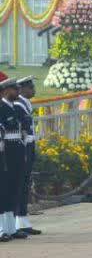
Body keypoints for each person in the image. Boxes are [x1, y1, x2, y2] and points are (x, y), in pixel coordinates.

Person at [0, 78, 27, 241]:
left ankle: (11, 228)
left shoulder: (16, 108)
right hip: (4, 153)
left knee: (13, 189)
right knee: (2, 189)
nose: (17, 92)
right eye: (14, 89)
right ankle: (1, 228)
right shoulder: (1, 108)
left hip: (16, 151)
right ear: (5, 91)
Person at [13, 77, 39, 236]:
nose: (33, 89)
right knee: (20, 185)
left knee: (24, 184)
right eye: (30, 87)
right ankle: (17, 221)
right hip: (22, 148)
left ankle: (22, 220)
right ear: (21, 89)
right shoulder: (17, 105)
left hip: (29, 146)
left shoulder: (25, 104)